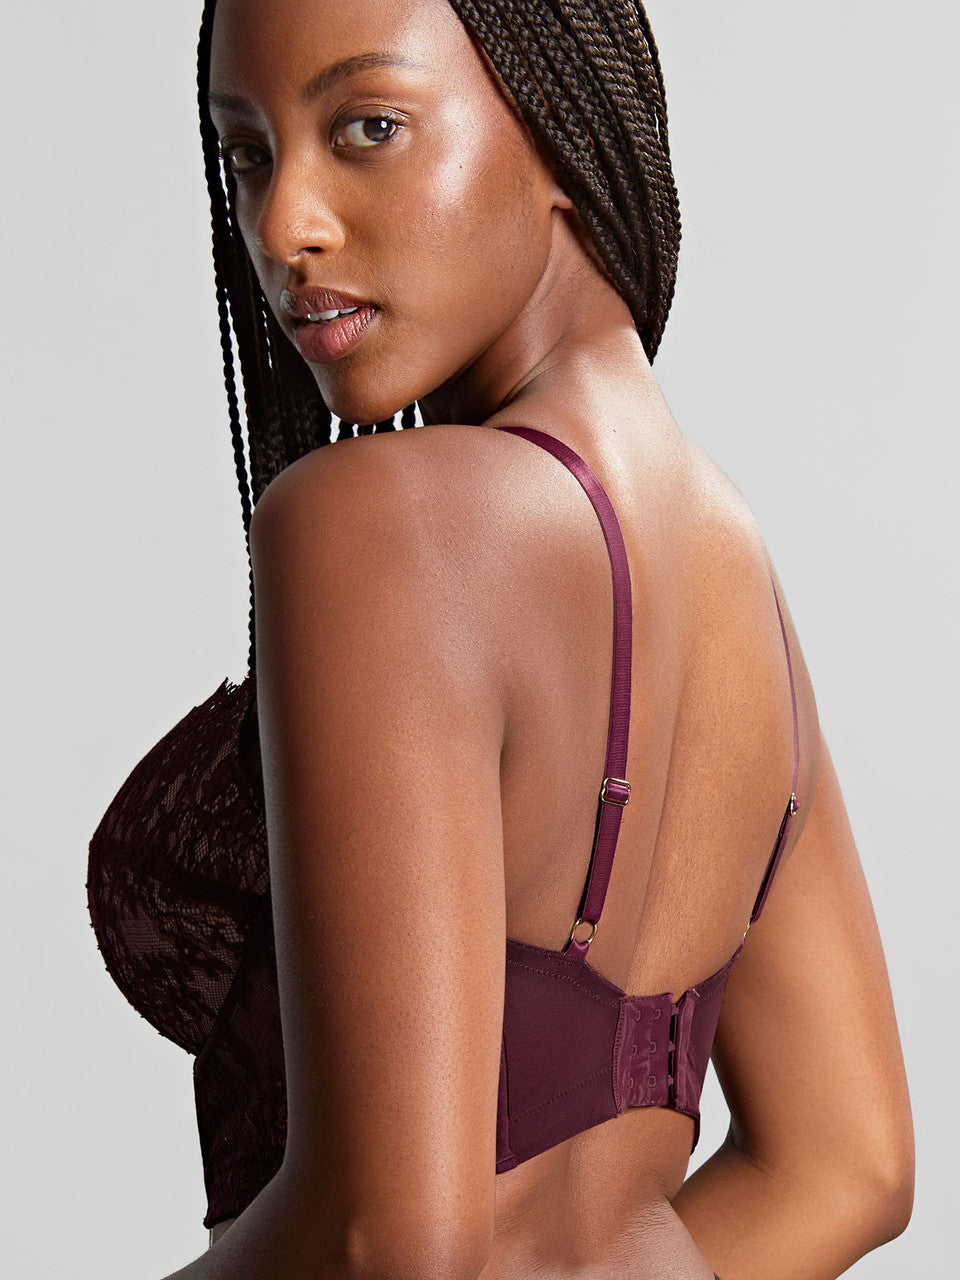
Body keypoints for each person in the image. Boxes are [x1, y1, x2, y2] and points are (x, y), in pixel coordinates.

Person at [85, 1, 914, 1277]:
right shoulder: (732, 564)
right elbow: (846, 1163)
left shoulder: (377, 524)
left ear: (558, 123)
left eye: (367, 127)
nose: (284, 224)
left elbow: (389, 1235)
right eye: (246, 154)